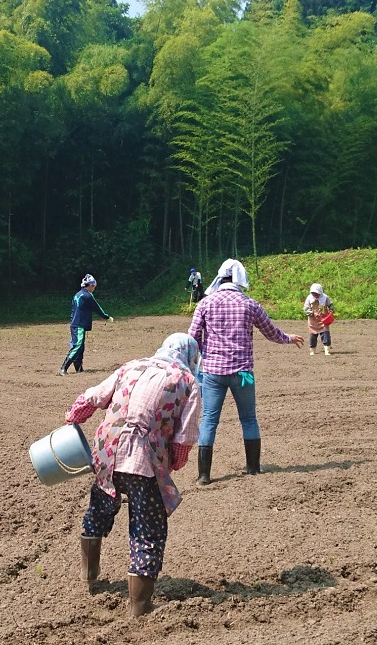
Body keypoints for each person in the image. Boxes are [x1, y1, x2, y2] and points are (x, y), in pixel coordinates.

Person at [64, 333, 201, 617]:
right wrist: (172, 464)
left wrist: (73, 419)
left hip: (106, 451)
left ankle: (89, 576)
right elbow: (184, 439)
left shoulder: (133, 365)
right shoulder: (188, 383)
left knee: (100, 508)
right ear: (191, 358)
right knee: (147, 527)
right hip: (143, 460)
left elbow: (94, 396)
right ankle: (140, 606)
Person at [187, 258, 304, 485]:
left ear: (221, 277)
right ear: (240, 279)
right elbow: (271, 332)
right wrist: (289, 339)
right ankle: (253, 468)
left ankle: (203, 475)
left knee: (209, 421)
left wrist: (205, 353)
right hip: (243, 373)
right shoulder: (250, 304)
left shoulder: (205, 303)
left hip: (213, 372)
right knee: (249, 419)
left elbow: (192, 337)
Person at [59, 274, 114, 376]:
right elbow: (97, 308)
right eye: (94, 286)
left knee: (80, 347)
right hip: (79, 324)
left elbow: (73, 310)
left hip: (74, 324)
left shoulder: (77, 294)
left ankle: (79, 368)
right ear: (90, 285)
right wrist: (106, 317)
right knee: (78, 346)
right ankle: (63, 368)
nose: (94, 288)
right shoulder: (88, 296)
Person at [303, 282, 334, 356]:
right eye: (313, 293)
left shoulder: (325, 298)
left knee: (325, 334)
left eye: (317, 293)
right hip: (313, 321)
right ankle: (312, 350)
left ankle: (327, 350)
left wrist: (331, 310)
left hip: (323, 319)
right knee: (313, 336)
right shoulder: (309, 298)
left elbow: (330, 305)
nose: (315, 295)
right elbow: (306, 308)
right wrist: (312, 313)